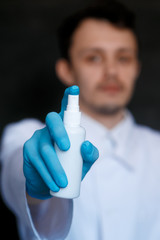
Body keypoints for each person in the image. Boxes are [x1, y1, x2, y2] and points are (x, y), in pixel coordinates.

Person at [1, 1, 160, 240]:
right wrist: (33, 183)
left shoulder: (156, 148)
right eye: (94, 58)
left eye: (123, 58)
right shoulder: (26, 134)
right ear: (66, 70)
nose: (111, 72)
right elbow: (15, 169)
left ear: (136, 68)